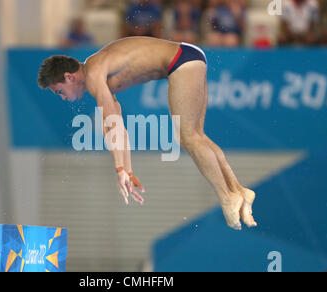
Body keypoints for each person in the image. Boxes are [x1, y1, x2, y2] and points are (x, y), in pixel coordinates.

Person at [37, 37, 257, 230]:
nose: (63, 97)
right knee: (196, 136)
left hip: (180, 60)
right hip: (187, 57)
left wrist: (120, 170)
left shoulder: (94, 73)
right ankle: (238, 191)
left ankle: (227, 197)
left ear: (69, 77)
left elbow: (112, 125)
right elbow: (117, 128)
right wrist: (126, 170)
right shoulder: (99, 74)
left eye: (59, 92)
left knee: (187, 136)